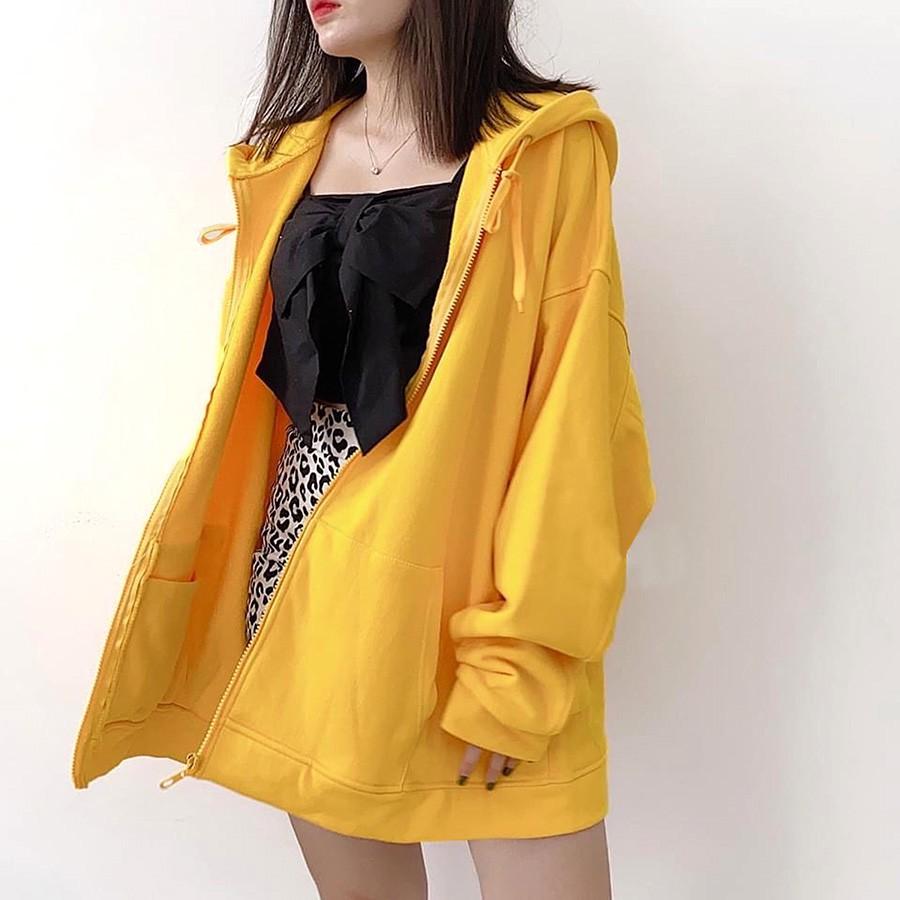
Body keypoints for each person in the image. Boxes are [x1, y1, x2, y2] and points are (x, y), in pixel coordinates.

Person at [72, 1, 656, 897]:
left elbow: (579, 424)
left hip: (485, 608)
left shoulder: (543, 150)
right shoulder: (287, 156)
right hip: (307, 584)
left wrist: (521, 659)